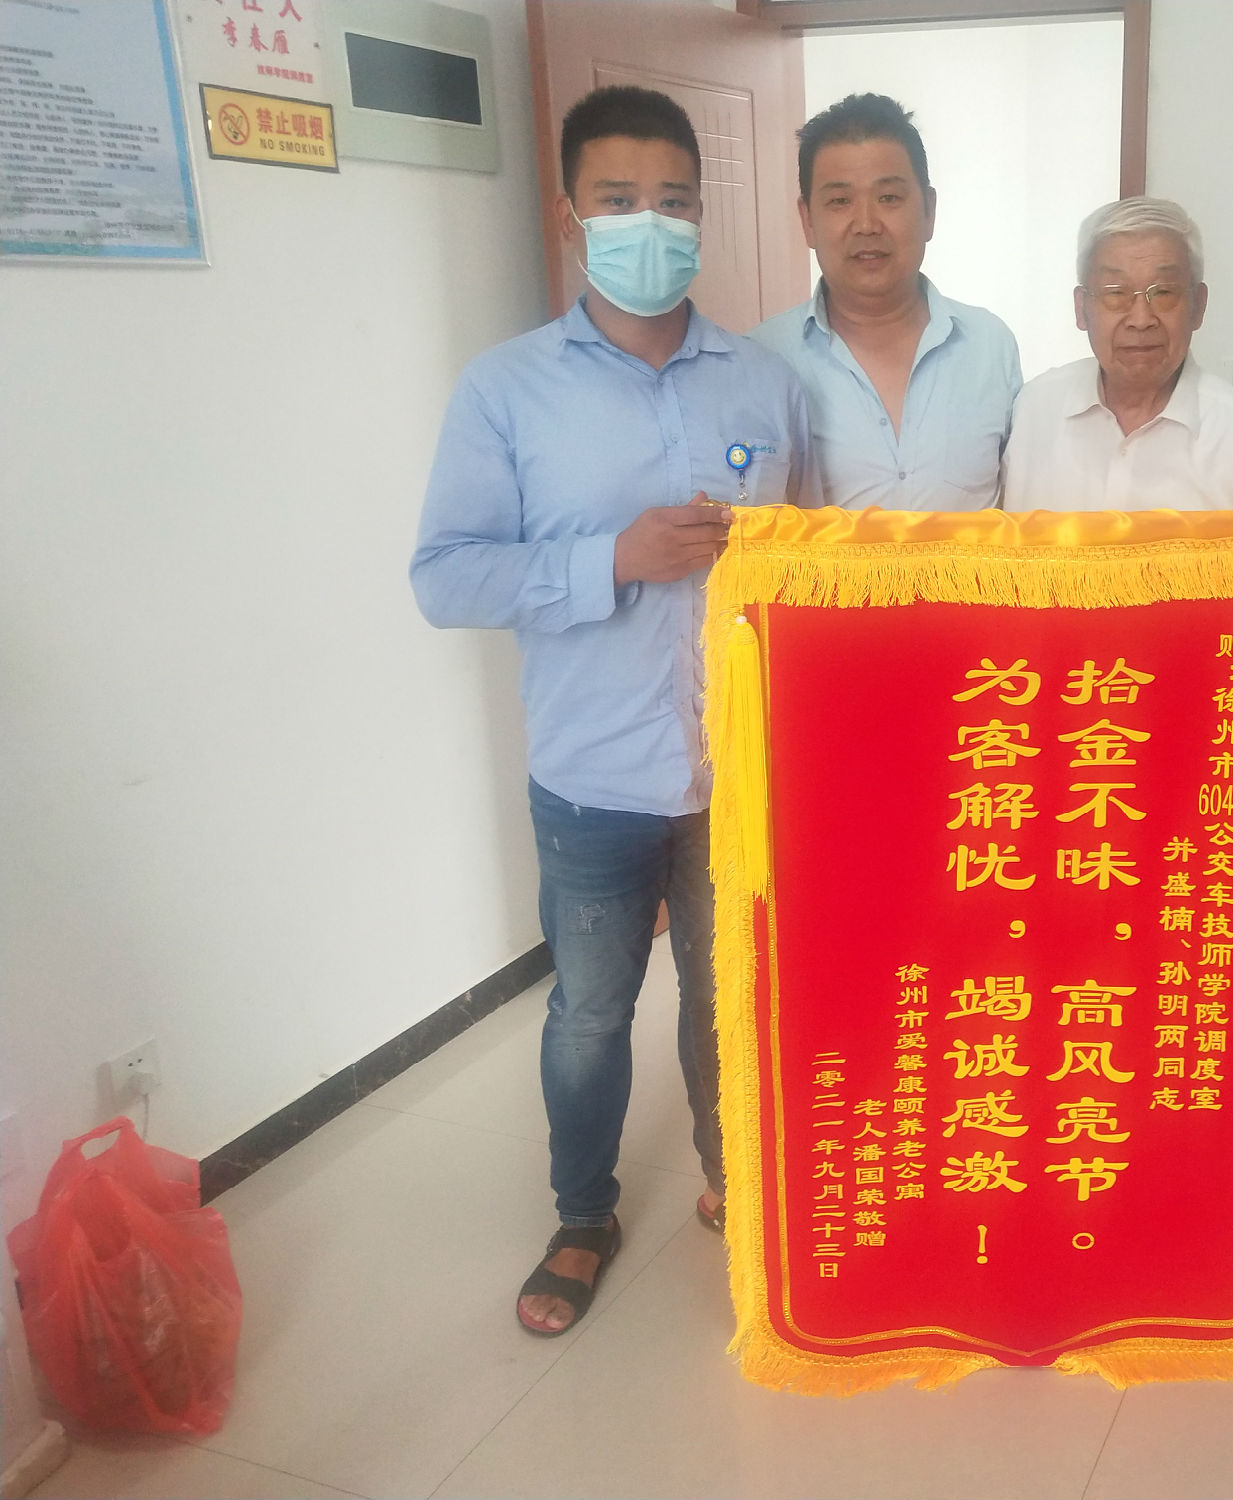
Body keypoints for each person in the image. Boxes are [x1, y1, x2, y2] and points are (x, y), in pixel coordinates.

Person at [410, 85, 818, 1337]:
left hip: (734, 771)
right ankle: (581, 1214)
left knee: (727, 996)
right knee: (589, 1012)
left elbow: (808, 564)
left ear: (704, 214)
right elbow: (446, 577)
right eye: (620, 199)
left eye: (674, 202)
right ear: (570, 214)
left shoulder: (763, 383)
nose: (652, 223)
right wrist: (611, 560)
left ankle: (731, 1175)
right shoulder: (506, 389)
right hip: (592, 775)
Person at [750, 93, 1020, 510]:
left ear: (929, 211)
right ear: (807, 220)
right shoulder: (761, 360)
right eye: (840, 201)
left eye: (889, 198)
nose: (866, 224)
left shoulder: (990, 346)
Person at [1001, 197, 1233, 512]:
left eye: (1163, 292)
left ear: (1199, 306)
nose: (1141, 319)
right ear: (1081, 308)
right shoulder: (1033, 411)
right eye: (1115, 293)